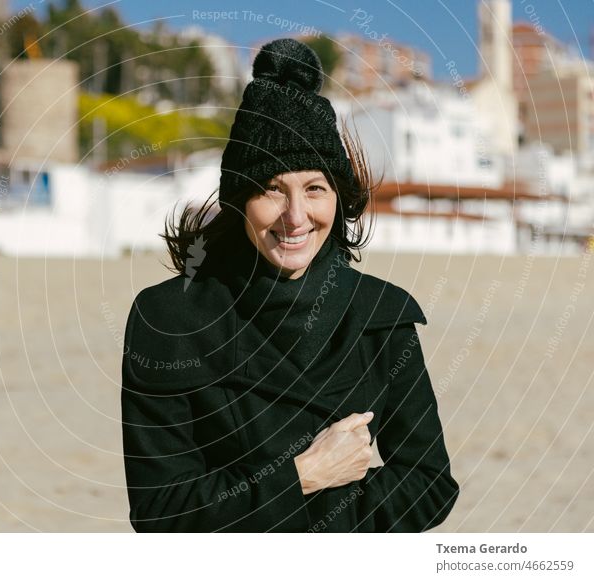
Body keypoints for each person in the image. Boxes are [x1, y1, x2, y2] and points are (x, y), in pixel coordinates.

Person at [120, 38, 459, 532]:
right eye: (270, 189)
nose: (295, 217)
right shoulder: (168, 320)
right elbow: (160, 512)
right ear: (240, 202)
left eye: (314, 188)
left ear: (336, 199)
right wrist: (305, 475)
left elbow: (430, 484)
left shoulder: (378, 316)